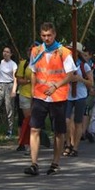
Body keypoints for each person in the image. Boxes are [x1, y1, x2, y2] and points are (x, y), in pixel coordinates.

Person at [24, 22, 76, 176]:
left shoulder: (64, 52)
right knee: (34, 129)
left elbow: (70, 74)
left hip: (58, 97)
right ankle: (34, 164)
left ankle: (55, 163)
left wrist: (56, 86)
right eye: (43, 35)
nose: (46, 38)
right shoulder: (36, 51)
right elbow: (34, 72)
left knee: (58, 132)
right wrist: (32, 92)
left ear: (54, 35)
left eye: (49, 35)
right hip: (40, 96)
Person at [64, 43, 92, 157]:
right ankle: (68, 144)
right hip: (68, 95)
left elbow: (91, 83)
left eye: (72, 50)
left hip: (80, 95)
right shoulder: (65, 64)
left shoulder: (84, 66)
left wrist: (80, 79)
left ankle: (75, 147)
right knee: (66, 121)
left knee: (78, 122)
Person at [15, 44, 35, 152]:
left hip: (37, 95)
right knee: (28, 119)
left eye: (32, 51)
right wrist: (29, 80)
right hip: (25, 94)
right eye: (29, 51)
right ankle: (28, 143)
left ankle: (34, 140)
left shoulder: (40, 63)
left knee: (35, 119)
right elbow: (19, 80)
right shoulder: (23, 64)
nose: (30, 53)